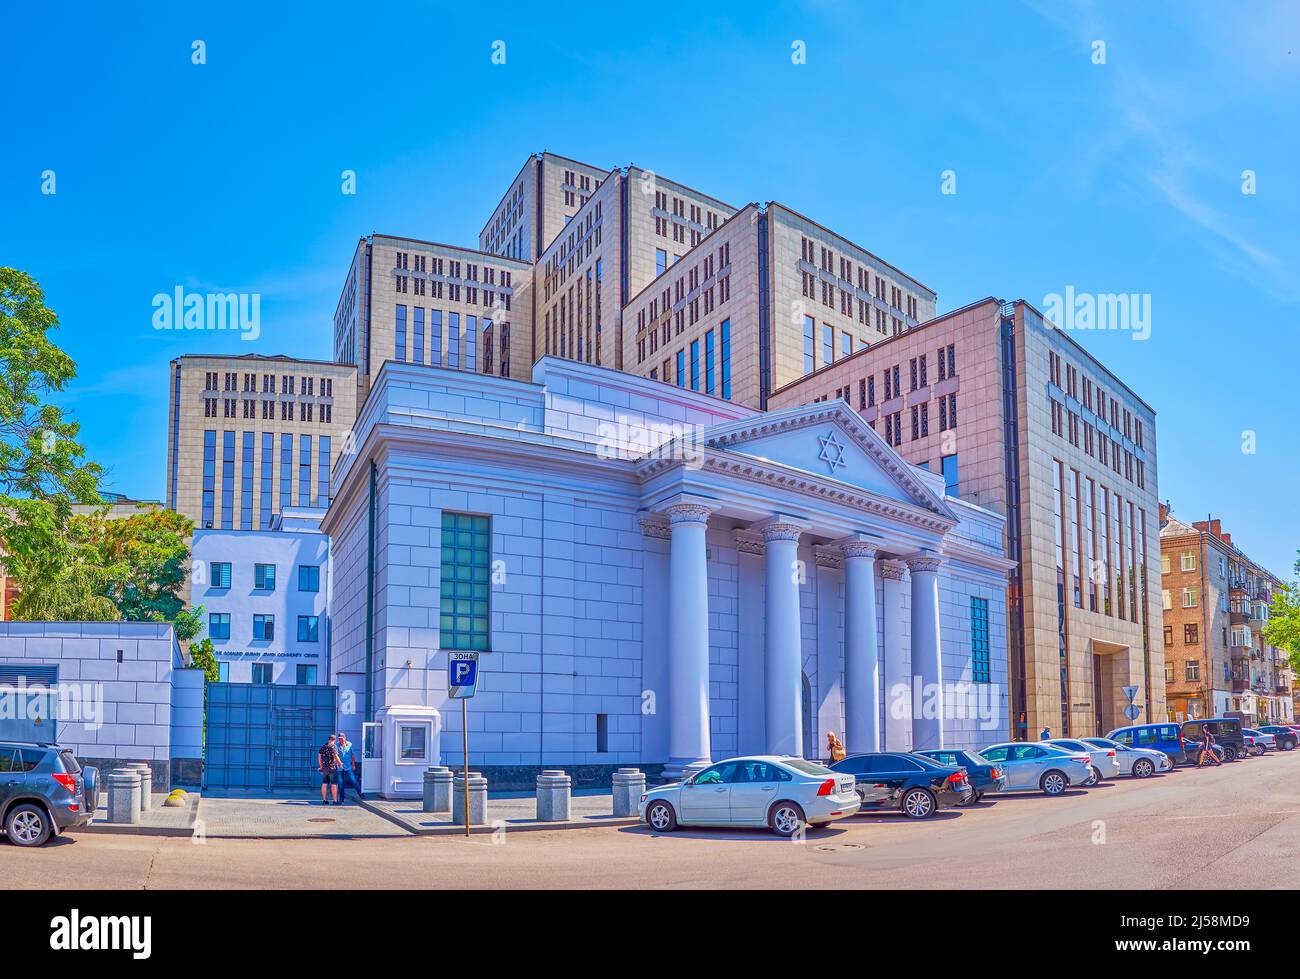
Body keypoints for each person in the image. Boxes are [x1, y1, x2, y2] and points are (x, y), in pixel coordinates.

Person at [335, 732, 359, 802]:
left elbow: (352, 756)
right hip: (340, 767)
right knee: (340, 783)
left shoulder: (349, 744)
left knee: (353, 780)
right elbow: (335, 756)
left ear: (345, 738)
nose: (340, 740)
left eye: (342, 739)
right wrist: (337, 763)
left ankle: (360, 793)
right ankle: (341, 798)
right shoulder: (336, 745)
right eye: (339, 739)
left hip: (348, 766)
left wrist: (353, 764)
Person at [318, 734, 341, 805]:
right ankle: (335, 801)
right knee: (334, 784)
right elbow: (335, 755)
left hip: (325, 768)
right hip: (332, 768)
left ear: (328, 739)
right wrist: (340, 763)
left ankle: (325, 800)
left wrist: (321, 766)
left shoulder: (323, 746)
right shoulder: (333, 746)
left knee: (324, 783)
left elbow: (319, 756)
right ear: (334, 740)